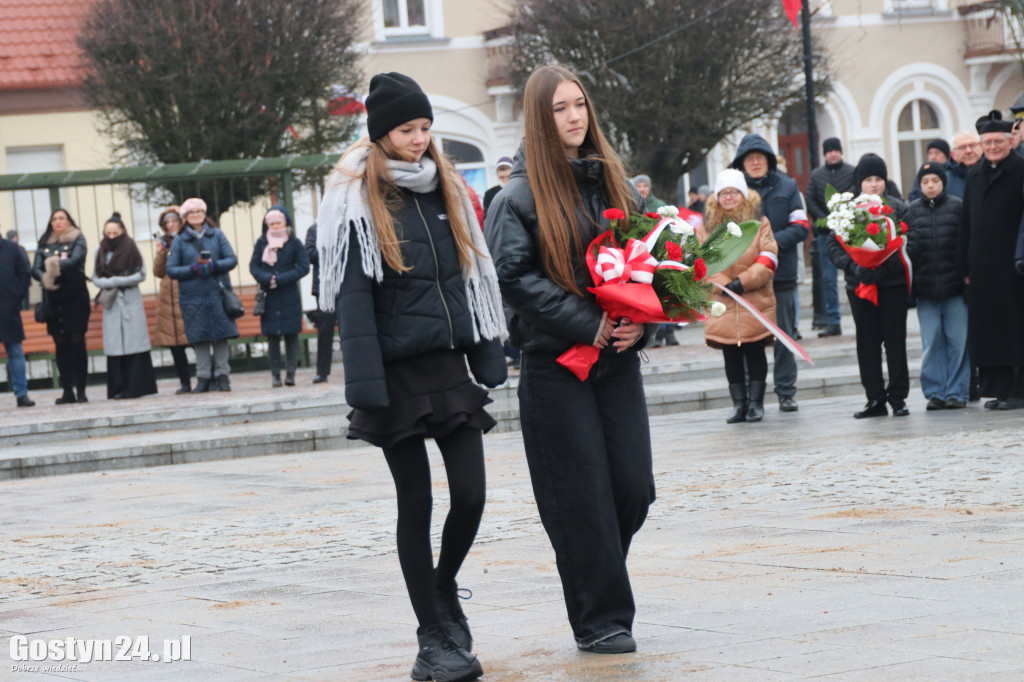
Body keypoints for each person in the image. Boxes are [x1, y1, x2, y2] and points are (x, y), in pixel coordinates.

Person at [317, 72, 506, 682]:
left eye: (426, 127)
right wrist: (363, 383)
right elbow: (353, 298)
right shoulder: (357, 196)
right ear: (381, 133)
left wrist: (486, 350)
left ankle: (442, 586)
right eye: (407, 129)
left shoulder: (445, 186)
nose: (420, 139)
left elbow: (470, 276)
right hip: (395, 377)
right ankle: (432, 636)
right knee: (416, 503)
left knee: (472, 496)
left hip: (449, 367)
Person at [485, 64, 655, 655]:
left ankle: (596, 575)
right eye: (559, 108)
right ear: (539, 117)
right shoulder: (516, 197)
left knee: (633, 489)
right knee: (580, 496)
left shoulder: (619, 187)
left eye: (579, 104)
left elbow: (646, 266)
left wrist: (641, 324)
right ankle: (600, 617)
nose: (574, 116)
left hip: (616, 363)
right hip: (556, 367)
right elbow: (514, 276)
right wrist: (591, 321)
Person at [730, 133, 808, 412]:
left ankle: (786, 392)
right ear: (741, 163)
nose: (755, 163)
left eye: (760, 158)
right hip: (746, 279)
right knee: (749, 339)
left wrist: (771, 247)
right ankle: (753, 399)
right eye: (749, 159)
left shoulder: (788, 186)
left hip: (781, 275)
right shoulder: (734, 191)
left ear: (769, 161)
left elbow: (800, 227)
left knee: (784, 336)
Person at [828, 154, 910, 419]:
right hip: (859, 286)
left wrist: (883, 269)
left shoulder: (898, 208)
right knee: (867, 342)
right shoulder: (847, 211)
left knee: (895, 341)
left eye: (879, 179)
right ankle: (874, 398)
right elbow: (834, 245)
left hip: (892, 286)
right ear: (859, 182)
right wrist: (855, 268)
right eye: (868, 179)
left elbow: (909, 246)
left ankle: (898, 397)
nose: (874, 184)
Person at [957, 110, 1024, 410]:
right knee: (989, 330)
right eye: (988, 142)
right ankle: (997, 388)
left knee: (1014, 329)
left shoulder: (1021, 169)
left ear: (1011, 140)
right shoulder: (974, 175)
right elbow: (966, 223)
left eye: (999, 140)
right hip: (982, 267)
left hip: (1012, 267)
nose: (994, 146)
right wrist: (964, 266)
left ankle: (1018, 390)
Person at [701, 169, 778, 423]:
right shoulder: (705, 227)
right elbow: (699, 263)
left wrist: (742, 282)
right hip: (721, 301)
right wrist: (723, 285)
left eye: (734, 191)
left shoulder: (760, 223)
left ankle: (756, 404)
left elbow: (768, 257)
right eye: (724, 192)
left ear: (743, 194)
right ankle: (739, 404)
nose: (729, 197)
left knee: (755, 351)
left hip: (754, 298)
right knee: (730, 354)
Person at [905, 162, 968, 411]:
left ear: (943, 183)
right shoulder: (911, 212)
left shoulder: (957, 207)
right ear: (919, 185)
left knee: (958, 341)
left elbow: (964, 244)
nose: (930, 185)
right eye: (925, 182)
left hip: (955, 289)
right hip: (926, 290)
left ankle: (957, 391)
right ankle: (935, 392)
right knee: (931, 343)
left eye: (935, 180)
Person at [165, 197, 239, 393]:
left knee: (222, 336)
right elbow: (171, 269)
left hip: (217, 293)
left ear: (205, 214)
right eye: (191, 213)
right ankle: (203, 377)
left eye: (199, 212)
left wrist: (214, 265)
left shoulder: (217, 235)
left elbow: (231, 259)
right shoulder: (180, 240)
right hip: (193, 296)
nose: (196, 215)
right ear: (185, 217)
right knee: (200, 338)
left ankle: (223, 376)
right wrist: (193, 269)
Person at [92, 212, 158, 400]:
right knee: (115, 345)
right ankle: (118, 388)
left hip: (130, 299)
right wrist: (110, 283)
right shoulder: (100, 251)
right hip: (112, 301)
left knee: (134, 342)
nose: (111, 237)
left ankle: (137, 386)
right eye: (108, 233)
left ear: (122, 231)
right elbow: (96, 277)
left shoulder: (132, 247)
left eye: (115, 233)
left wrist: (117, 280)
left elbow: (141, 274)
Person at [32, 208, 90, 404]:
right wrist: (44, 276)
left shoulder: (78, 239)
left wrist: (53, 268)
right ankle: (67, 391)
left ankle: (81, 390)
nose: (58, 222)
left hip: (75, 298)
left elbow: (75, 261)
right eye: (54, 219)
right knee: (61, 345)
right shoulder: (44, 242)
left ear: (68, 221)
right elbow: (35, 269)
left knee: (77, 343)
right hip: (54, 301)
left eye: (62, 218)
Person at [250, 204, 310, 387]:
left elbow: (303, 266)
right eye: (272, 224)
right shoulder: (261, 243)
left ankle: (290, 374)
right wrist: (268, 278)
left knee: (291, 337)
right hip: (269, 297)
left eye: (278, 223)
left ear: (285, 223)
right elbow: (254, 267)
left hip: (289, 295)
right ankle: (275, 375)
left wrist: (282, 278)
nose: (275, 227)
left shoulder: (294, 243)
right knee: (272, 338)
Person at [807, 137, 855, 338]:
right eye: (829, 151)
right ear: (824, 153)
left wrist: (843, 216)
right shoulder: (817, 175)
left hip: (850, 233)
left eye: (836, 150)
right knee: (828, 279)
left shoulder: (851, 172)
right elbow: (810, 199)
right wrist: (825, 220)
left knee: (854, 275)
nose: (833, 153)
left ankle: (859, 316)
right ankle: (833, 320)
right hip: (826, 234)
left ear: (841, 152)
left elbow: (855, 192)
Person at [152, 207, 193, 394]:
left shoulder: (188, 239)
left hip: (186, 292)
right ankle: (184, 382)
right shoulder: (163, 243)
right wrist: (160, 253)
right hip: (168, 298)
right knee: (175, 344)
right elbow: (158, 272)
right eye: (167, 223)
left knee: (197, 339)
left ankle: (208, 377)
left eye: (173, 221)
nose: (170, 225)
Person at [1, 230, 35, 406]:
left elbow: (24, 273)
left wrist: (16, 297)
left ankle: (21, 394)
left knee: (15, 351)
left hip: (8, 308)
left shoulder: (12, 249)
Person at [303, 222, 335, 383]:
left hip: (347, 284)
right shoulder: (315, 229)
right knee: (325, 330)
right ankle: (322, 372)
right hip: (324, 286)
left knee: (352, 328)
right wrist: (331, 250)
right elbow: (309, 254)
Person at [6, 230, 30, 310]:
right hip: (14, 282)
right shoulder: (9, 249)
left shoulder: (21, 248)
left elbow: (26, 264)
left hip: (22, 281)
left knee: (25, 304)